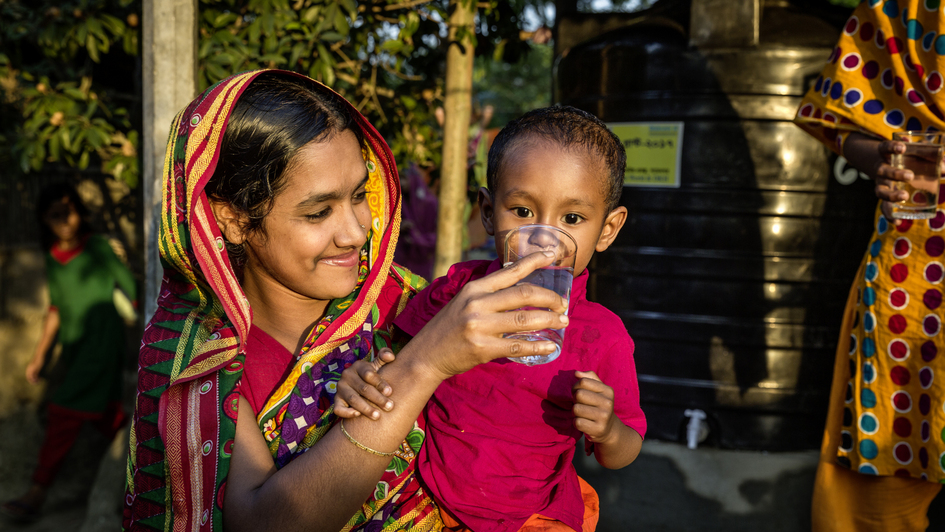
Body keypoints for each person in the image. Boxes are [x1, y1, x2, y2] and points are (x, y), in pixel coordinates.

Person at [122, 69, 570, 532]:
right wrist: (424, 365)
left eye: (359, 195)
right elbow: (262, 522)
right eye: (319, 211)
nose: (357, 231)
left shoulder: (409, 303)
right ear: (234, 219)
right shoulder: (201, 366)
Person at [335, 106, 647, 531]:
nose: (542, 235)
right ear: (487, 211)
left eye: (572, 219)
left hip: (533, 518)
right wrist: (367, 375)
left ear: (607, 229)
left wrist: (608, 430)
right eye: (522, 211)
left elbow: (624, 451)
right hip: (421, 498)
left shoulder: (602, 336)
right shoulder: (459, 292)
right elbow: (396, 353)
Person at [793, 2, 945, 530]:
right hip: (916, 269)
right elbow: (835, 121)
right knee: (892, 459)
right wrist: (881, 159)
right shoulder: (898, 9)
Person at [0, 183, 135, 523]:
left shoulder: (97, 248)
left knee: (64, 411)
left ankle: (37, 491)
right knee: (106, 416)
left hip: (103, 343)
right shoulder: (52, 258)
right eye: (54, 215)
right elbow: (56, 309)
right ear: (44, 219)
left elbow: (128, 284)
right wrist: (39, 356)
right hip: (77, 348)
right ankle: (145, 457)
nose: (64, 221)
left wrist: (136, 312)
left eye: (68, 212)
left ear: (80, 212)